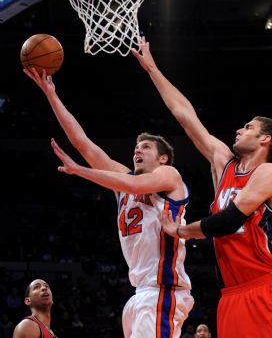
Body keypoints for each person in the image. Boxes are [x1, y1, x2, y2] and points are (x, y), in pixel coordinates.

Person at [132, 38, 272, 338]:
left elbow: (229, 220)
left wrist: (181, 230)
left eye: (249, 127)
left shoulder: (270, 172)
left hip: (266, 285)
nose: (239, 129)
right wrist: (152, 69)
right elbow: (186, 116)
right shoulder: (224, 164)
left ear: (266, 140)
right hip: (231, 294)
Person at [23, 68, 194, 338]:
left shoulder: (169, 176)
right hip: (140, 295)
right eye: (136, 147)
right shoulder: (123, 185)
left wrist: (80, 171)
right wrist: (51, 94)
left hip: (163, 291)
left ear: (163, 158)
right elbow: (83, 144)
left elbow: (134, 185)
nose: (138, 150)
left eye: (146, 147)